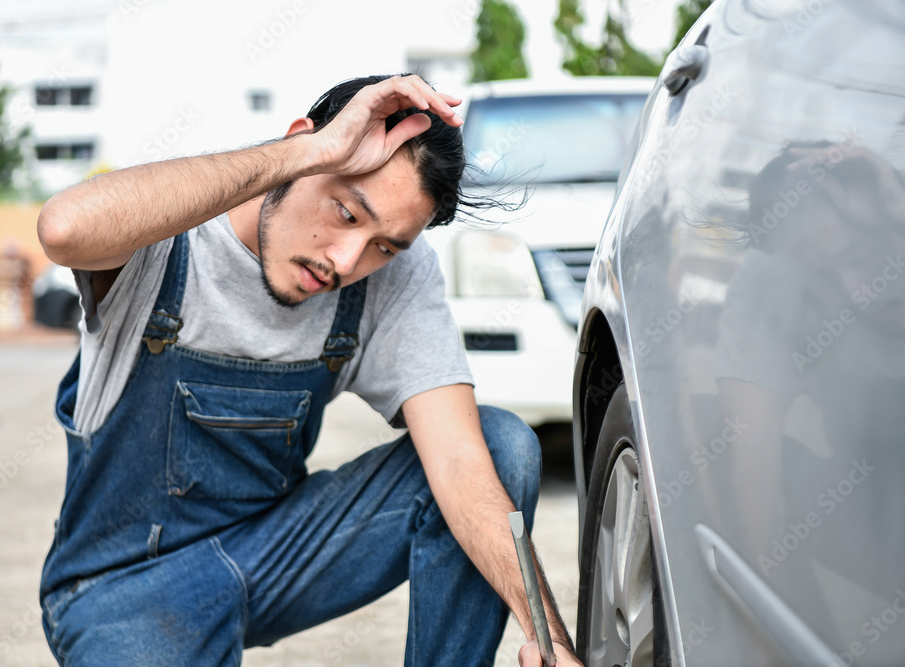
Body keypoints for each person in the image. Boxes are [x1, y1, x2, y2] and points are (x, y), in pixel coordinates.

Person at [36, 73, 579, 666]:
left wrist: (549, 640)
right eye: (346, 213)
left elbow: (460, 462)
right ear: (302, 146)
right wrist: (309, 151)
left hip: (275, 559)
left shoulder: (394, 275)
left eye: (385, 245)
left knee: (501, 446)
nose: (347, 261)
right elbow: (63, 228)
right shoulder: (166, 234)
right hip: (123, 589)